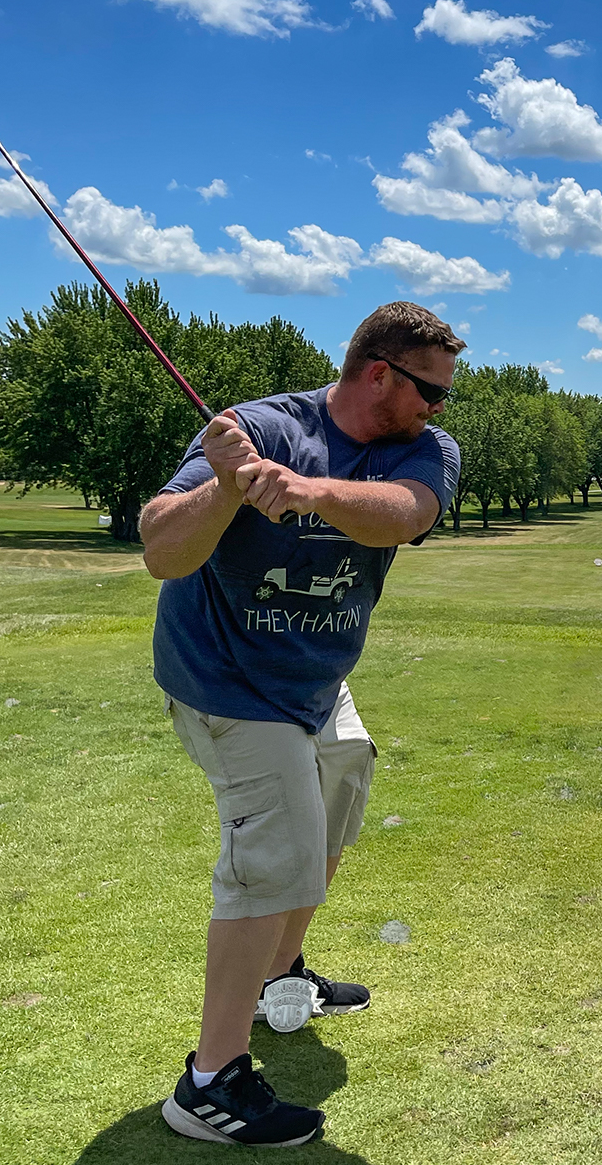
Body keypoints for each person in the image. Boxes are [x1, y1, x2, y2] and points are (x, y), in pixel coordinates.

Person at [139, 302, 463, 1147]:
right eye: (430, 391)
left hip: (318, 683)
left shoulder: (424, 448)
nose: (440, 408)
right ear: (379, 374)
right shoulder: (257, 429)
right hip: (226, 682)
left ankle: (281, 978)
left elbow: (405, 513)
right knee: (275, 856)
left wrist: (305, 491)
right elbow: (163, 552)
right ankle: (208, 1084)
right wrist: (225, 487)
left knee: (341, 788)